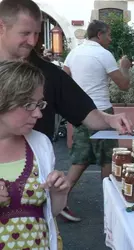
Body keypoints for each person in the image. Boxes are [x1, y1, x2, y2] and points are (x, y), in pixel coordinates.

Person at [0, 0, 134, 221]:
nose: (33, 41)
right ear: (2, 26)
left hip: (35, 193)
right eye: (25, 33)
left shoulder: (47, 73)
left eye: (36, 33)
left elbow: (84, 111)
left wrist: (111, 119)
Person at [63, 19, 132, 218]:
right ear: (99, 35)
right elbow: (124, 85)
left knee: (80, 159)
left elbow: (64, 81)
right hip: (102, 111)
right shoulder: (104, 54)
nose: (110, 39)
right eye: (108, 35)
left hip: (80, 113)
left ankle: (61, 198)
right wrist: (125, 67)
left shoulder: (74, 53)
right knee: (107, 159)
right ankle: (110, 206)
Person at [0, 60, 71, 250]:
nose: (38, 114)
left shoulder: (40, 144)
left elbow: (49, 213)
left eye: (40, 104)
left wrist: (59, 194)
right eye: (29, 104)